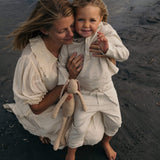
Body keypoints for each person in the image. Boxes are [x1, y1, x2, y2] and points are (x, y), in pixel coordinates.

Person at [3, 0, 105, 151]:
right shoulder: (31, 61)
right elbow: (36, 108)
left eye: (72, 25)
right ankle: (38, 129)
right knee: (92, 134)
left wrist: (106, 51)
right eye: (62, 30)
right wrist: (69, 80)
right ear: (45, 30)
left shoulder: (72, 39)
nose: (71, 34)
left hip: (65, 97)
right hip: (41, 108)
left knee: (98, 120)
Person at [57, 0, 129, 160]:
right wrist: (67, 87)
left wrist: (107, 49)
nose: (86, 25)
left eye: (92, 20)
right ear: (74, 19)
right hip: (84, 95)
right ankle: (71, 153)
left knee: (115, 122)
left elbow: (125, 54)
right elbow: (61, 66)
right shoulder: (70, 42)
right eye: (81, 19)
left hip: (106, 90)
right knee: (79, 128)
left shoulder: (106, 32)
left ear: (101, 19)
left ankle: (106, 142)